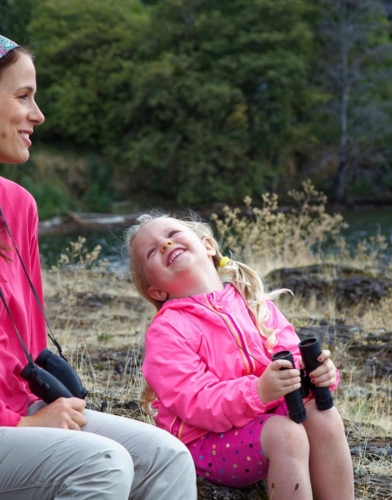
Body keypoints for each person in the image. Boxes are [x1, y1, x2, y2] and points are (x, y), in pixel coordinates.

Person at [0, 34, 197, 500]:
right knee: (100, 465)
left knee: (168, 457)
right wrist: (23, 424)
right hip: (13, 422)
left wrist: (37, 408)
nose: (38, 114)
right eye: (23, 97)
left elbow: (23, 349)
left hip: (20, 410)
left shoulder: (19, 206)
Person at [125, 211, 355, 500]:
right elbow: (196, 402)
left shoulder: (251, 301)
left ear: (207, 245)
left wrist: (318, 375)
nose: (166, 245)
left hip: (262, 418)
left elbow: (293, 359)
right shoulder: (167, 331)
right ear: (157, 290)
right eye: (152, 251)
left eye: (172, 235)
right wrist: (258, 391)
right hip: (205, 443)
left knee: (324, 414)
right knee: (287, 435)